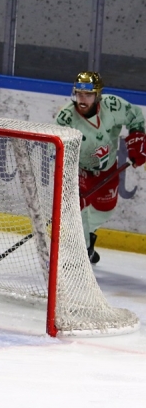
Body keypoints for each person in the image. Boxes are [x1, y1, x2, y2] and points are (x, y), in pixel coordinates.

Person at [55, 71, 146, 264]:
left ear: (97, 95)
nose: (82, 99)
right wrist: (67, 179)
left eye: (87, 95)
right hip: (79, 171)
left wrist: (138, 140)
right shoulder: (65, 118)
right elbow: (56, 151)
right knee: (77, 212)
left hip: (108, 170)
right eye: (79, 94)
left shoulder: (113, 105)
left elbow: (135, 117)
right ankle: (83, 247)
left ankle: (87, 235)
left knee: (106, 209)